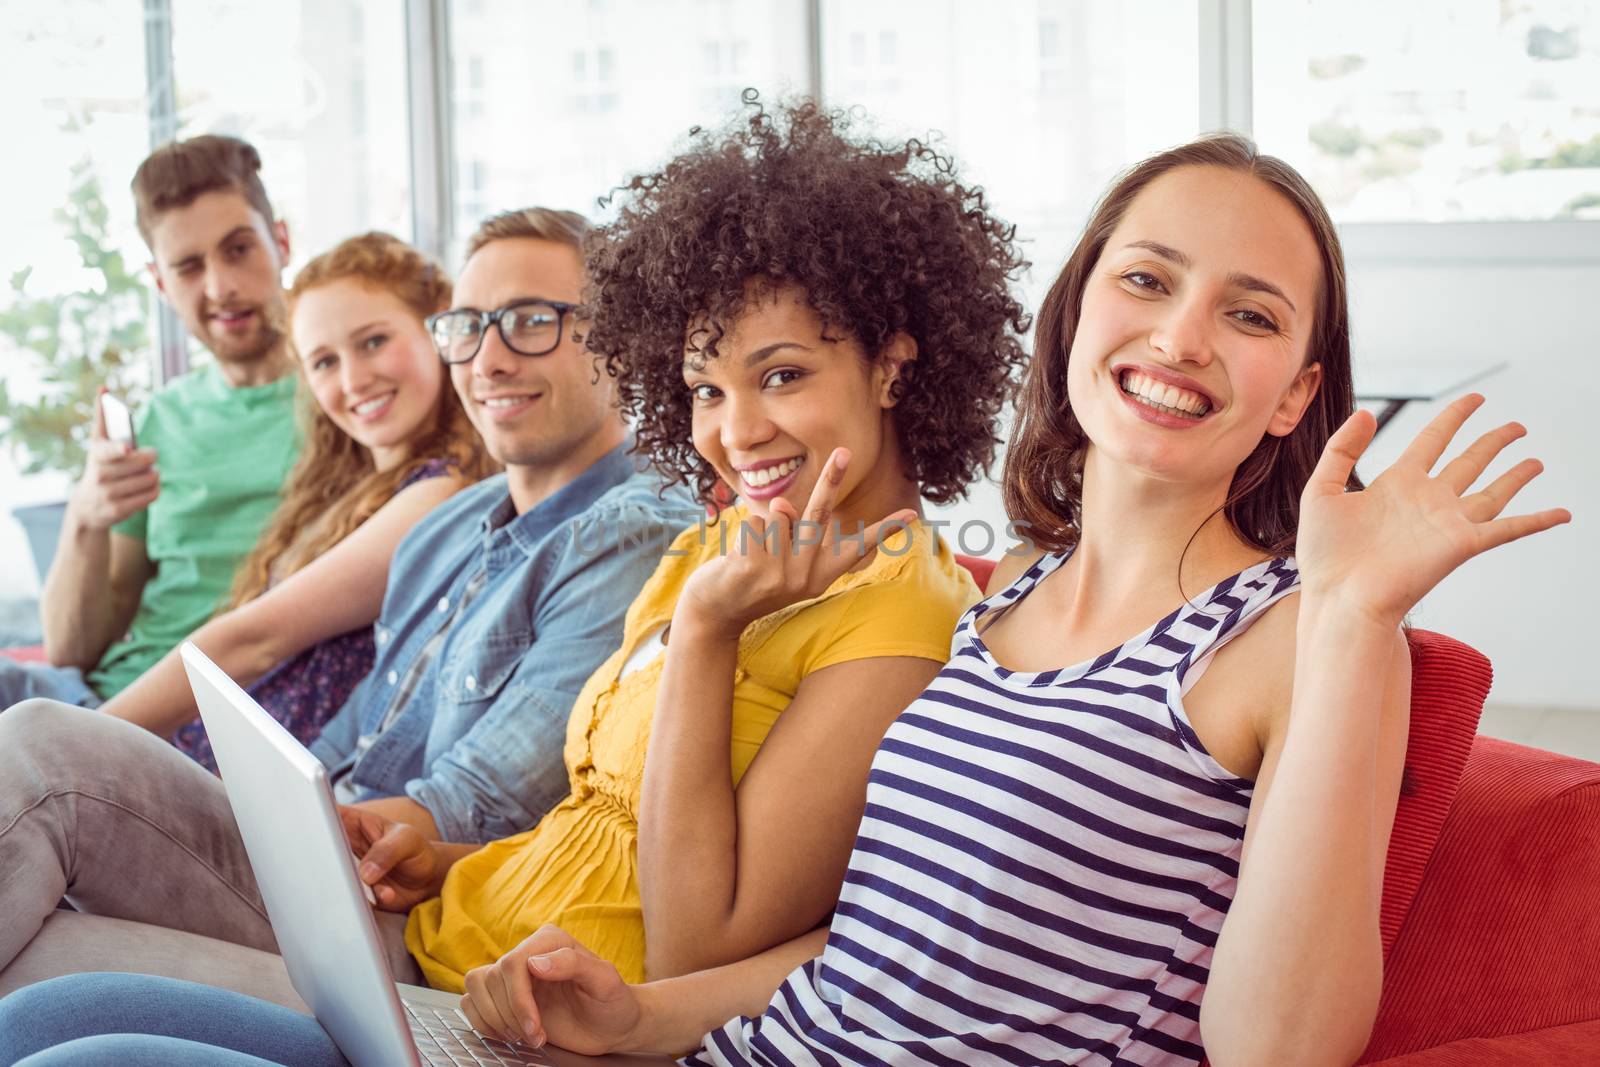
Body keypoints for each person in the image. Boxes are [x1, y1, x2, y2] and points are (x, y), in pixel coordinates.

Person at [4, 133, 1563, 1067]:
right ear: (1080, 310)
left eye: (1252, 311)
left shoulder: (1286, 632)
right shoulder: (995, 604)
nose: (1182, 333)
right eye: (1147, 279)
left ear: (1298, 391)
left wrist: (1360, 619)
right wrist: (643, 1017)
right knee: (55, 1028)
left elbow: (1278, 1046)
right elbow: (853, 949)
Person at [376, 93, 1026, 997]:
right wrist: (444, 864)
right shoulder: (725, 538)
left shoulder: (902, 621)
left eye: (782, 376)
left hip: (541, 1027)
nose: (737, 430)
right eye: (706, 390)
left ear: (892, 366)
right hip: (440, 939)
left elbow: (697, 951)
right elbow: (601, 821)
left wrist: (710, 628)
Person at [0, 208, 703, 1003]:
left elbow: (478, 805)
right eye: (468, 328)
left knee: (47, 751)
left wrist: (298, 821)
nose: (490, 358)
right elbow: (350, 737)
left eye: (533, 322)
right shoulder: (447, 526)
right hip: (332, 863)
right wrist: (286, 802)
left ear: (619, 338)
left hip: (409, 921)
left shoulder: (637, 532)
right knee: (30, 967)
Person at [95, 231, 497, 768]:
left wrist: (77, 745)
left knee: (31, 726)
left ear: (439, 329)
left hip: (221, 790)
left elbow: (254, 640)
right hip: (192, 752)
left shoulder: (439, 494)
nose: (354, 379)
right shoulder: (352, 485)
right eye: (325, 362)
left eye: (374, 341)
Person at [0, 134, 301, 710]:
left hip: (189, 718)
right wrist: (86, 518)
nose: (219, 287)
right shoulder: (163, 417)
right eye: (188, 267)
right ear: (161, 284)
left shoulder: (349, 402)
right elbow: (71, 649)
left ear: (280, 241)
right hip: (92, 694)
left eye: (239, 249)